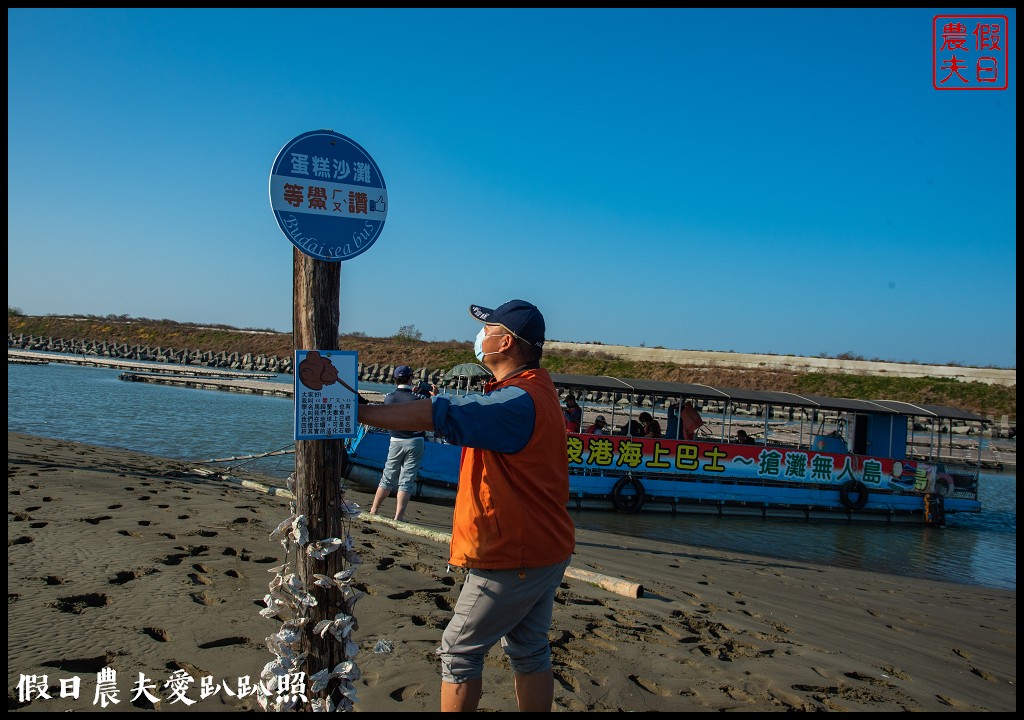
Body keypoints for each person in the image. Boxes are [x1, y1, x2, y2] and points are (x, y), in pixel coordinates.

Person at [357, 299, 575, 713]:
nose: (480, 336)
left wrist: (360, 411)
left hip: (515, 553)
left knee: (458, 651)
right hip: (546, 546)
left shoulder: (517, 400)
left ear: (505, 342)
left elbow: (446, 413)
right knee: (529, 649)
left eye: (487, 329)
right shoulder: (535, 391)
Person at [368, 365, 428, 522]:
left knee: (388, 476)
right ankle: (398, 516)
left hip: (395, 440)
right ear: (410, 379)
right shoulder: (419, 398)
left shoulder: (389, 397)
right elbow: (433, 406)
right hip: (415, 441)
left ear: (395, 380)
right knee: (407, 479)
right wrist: (432, 394)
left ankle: (374, 510)